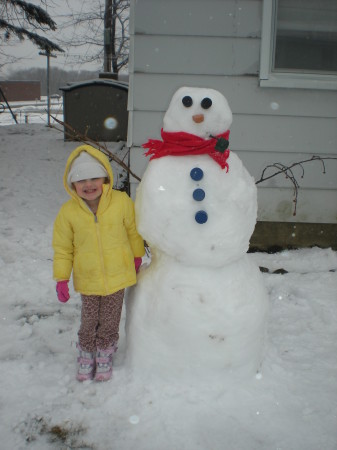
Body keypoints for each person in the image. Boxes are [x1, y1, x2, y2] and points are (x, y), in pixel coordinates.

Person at [52, 144, 145, 382]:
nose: (89, 184)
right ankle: (86, 352)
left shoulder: (121, 202)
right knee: (89, 320)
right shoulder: (68, 212)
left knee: (110, 319)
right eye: (81, 180)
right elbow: (63, 248)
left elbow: (134, 231)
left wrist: (136, 255)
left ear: (105, 177)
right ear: (72, 184)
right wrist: (61, 278)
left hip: (117, 275)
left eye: (94, 177)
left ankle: (104, 353)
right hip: (88, 277)